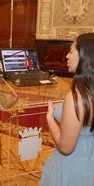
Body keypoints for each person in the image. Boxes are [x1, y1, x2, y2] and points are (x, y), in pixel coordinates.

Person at [41, 33, 94, 185]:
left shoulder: (76, 97)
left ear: (84, 56)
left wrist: (50, 118)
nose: (66, 56)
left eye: (71, 51)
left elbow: (65, 147)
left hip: (72, 167)